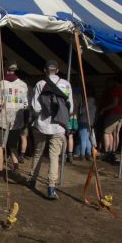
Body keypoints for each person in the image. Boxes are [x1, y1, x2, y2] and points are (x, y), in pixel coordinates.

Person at [27, 60, 73, 200]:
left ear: (44, 70)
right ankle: (51, 187)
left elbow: (35, 107)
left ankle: (32, 180)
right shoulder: (66, 84)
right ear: (57, 70)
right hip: (59, 126)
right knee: (54, 157)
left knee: (38, 153)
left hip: (41, 124)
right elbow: (70, 108)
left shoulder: (40, 84)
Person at [0, 60, 28, 180]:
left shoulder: (0, 84)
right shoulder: (23, 85)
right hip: (17, 121)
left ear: (6, 70)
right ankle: (15, 167)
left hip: (3, 120)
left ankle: (0, 172)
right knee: (13, 145)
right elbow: (25, 105)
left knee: (0, 145)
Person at [100, 76, 122, 163]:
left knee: (106, 132)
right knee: (115, 133)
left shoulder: (116, 89)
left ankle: (108, 152)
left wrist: (104, 109)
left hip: (115, 113)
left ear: (115, 81)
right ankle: (113, 151)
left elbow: (115, 103)